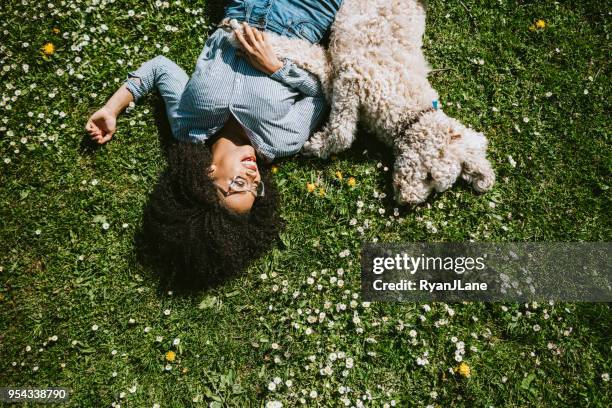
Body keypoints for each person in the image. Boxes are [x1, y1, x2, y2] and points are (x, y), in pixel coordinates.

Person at [85, 1, 343, 286]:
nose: (252, 177)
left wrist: (111, 109)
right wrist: (276, 67)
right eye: (256, 189)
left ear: (205, 178)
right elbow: (321, 94)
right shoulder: (281, 141)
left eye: (237, 185)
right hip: (306, 14)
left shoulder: (187, 124)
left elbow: (160, 69)